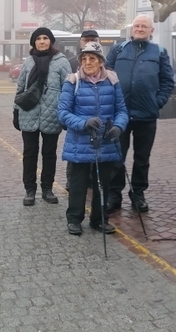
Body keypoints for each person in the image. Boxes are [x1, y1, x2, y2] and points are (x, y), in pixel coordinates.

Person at [105, 15, 174, 213]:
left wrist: (157, 102)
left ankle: (138, 194)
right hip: (120, 115)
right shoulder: (119, 49)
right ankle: (114, 195)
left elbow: (167, 82)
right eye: (137, 26)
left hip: (147, 115)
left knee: (142, 159)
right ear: (132, 29)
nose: (140, 28)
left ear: (151, 30)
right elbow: (106, 75)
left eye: (144, 26)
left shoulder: (159, 52)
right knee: (116, 157)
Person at [58, 41, 129, 235]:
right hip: (80, 141)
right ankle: (74, 219)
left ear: (101, 62)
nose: (87, 62)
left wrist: (118, 126)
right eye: (84, 59)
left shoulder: (112, 81)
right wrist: (83, 123)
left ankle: (99, 219)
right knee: (78, 183)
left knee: (103, 183)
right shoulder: (73, 81)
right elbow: (63, 113)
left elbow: (122, 110)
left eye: (92, 58)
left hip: (105, 141)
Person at [16, 27, 71, 206]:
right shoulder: (28, 62)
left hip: (52, 114)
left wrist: (65, 112)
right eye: (38, 38)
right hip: (29, 113)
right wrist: (16, 111)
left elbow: (68, 90)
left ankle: (47, 188)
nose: (42, 41)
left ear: (51, 41)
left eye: (45, 38)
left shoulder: (61, 62)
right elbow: (20, 88)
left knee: (49, 154)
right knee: (29, 154)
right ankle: (29, 189)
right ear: (34, 42)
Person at [64, 29, 100, 187]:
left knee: (95, 147)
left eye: (93, 39)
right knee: (76, 149)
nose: (90, 42)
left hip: (97, 112)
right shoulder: (72, 62)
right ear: (80, 42)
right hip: (77, 114)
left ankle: (92, 179)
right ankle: (72, 180)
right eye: (86, 40)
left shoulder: (103, 62)